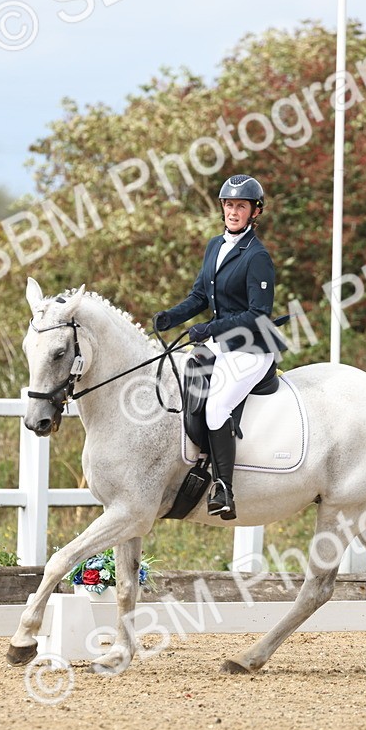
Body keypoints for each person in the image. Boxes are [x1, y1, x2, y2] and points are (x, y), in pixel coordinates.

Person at [153, 174, 286, 520]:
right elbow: (200, 295)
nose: (233, 211)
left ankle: (223, 487)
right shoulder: (216, 245)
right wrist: (172, 316)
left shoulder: (257, 256)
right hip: (221, 343)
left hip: (252, 348)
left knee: (215, 408)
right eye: (229, 205)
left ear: (254, 212)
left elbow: (258, 313)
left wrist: (208, 328)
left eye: (241, 206)